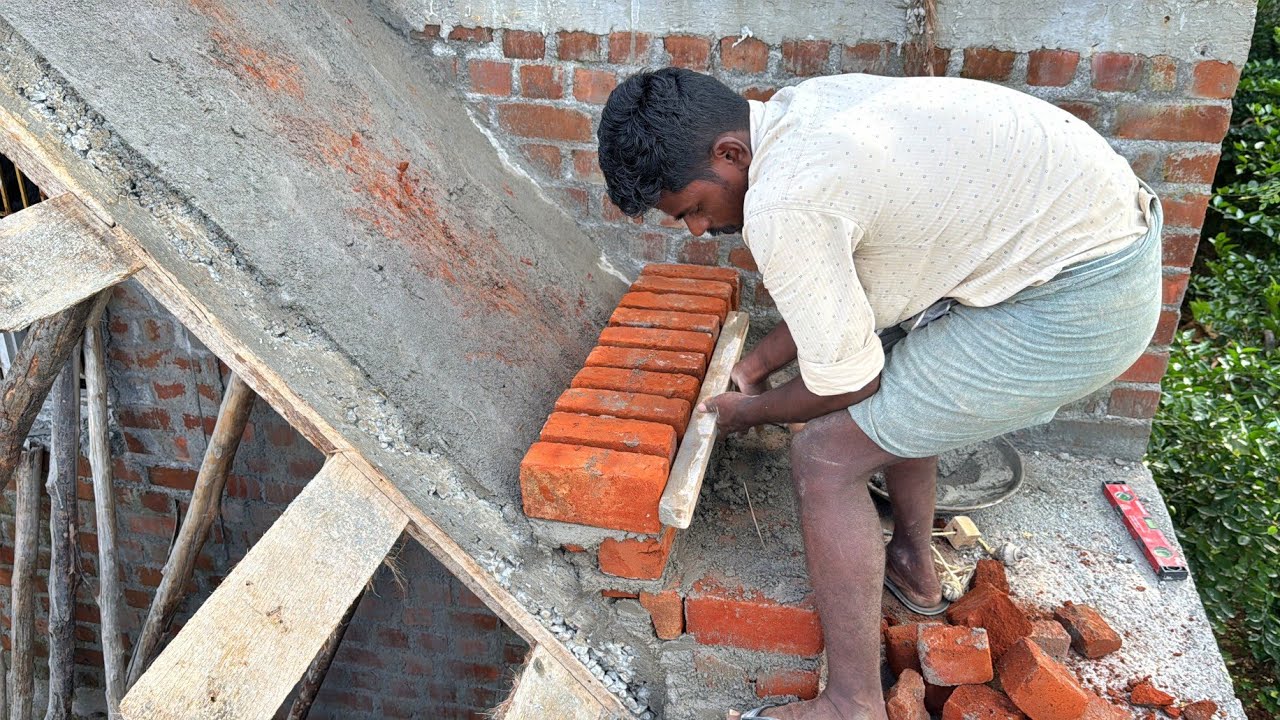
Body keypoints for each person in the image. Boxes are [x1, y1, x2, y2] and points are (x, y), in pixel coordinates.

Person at [596, 68, 1161, 720]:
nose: (696, 229)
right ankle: (915, 567)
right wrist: (755, 367)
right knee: (902, 392)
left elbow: (848, 381)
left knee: (826, 457)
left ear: (730, 154)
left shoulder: (785, 199)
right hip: (1101, 237)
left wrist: (746, 412)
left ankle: (850, 703)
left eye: (692, 208)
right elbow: (853, 301)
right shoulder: (798, 115)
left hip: (1078, 302)